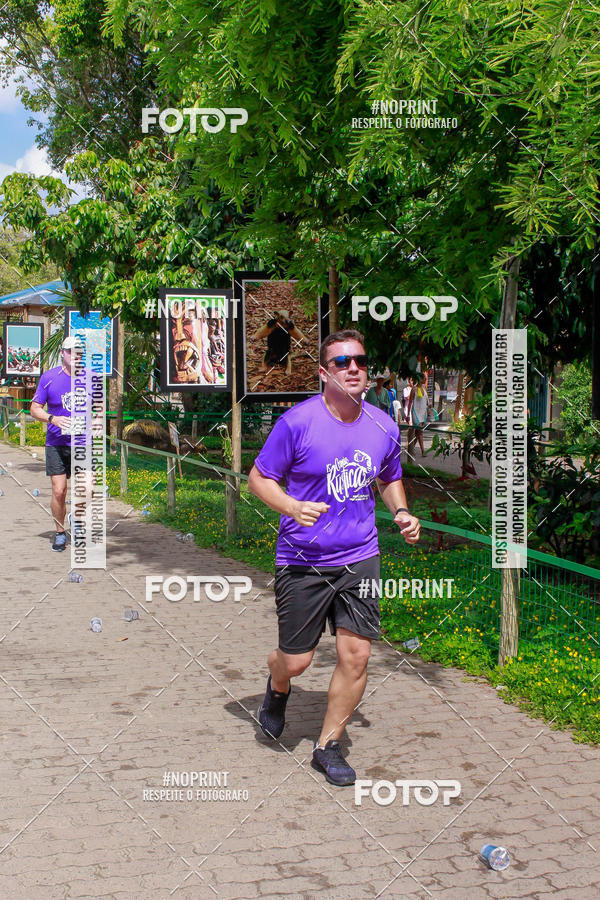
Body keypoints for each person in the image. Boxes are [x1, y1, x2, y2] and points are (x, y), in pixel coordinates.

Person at [248, 329, 420, 786]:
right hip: (303, 560)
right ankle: (277, 683)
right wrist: (291, 506)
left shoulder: (384, 425)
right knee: (297, 660)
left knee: (357, 654)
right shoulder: (297, 423)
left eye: (360, 360)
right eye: (342, 362)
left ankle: (328, 746)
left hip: (361, 556)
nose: (353, 368)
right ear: (324, 372)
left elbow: (388, 477)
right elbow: (259, 478)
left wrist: (401, 511)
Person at [30, 336, 90, 551]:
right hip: (56, 442)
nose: (76, 356)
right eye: (72, 352)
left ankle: (76, 517)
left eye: (80, 353)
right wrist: (52, 418)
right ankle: (60, 532)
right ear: (63, 354)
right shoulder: (49, 378)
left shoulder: (90, 378)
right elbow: (34, 408)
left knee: (88, 488)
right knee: (59, 491)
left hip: (82, 442)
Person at [407, 372, 429, 457]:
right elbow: (410, 403)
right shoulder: (414, 389)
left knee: (417, 433)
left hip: (423, 413)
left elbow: (426, 400)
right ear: (420, 379)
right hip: (416, 412)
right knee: (420, 432)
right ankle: (423, 451)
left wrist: (429, 407)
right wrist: (408, 415)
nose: (425, 380)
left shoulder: (424, 388)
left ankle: (410, 449)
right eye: (424, 379)